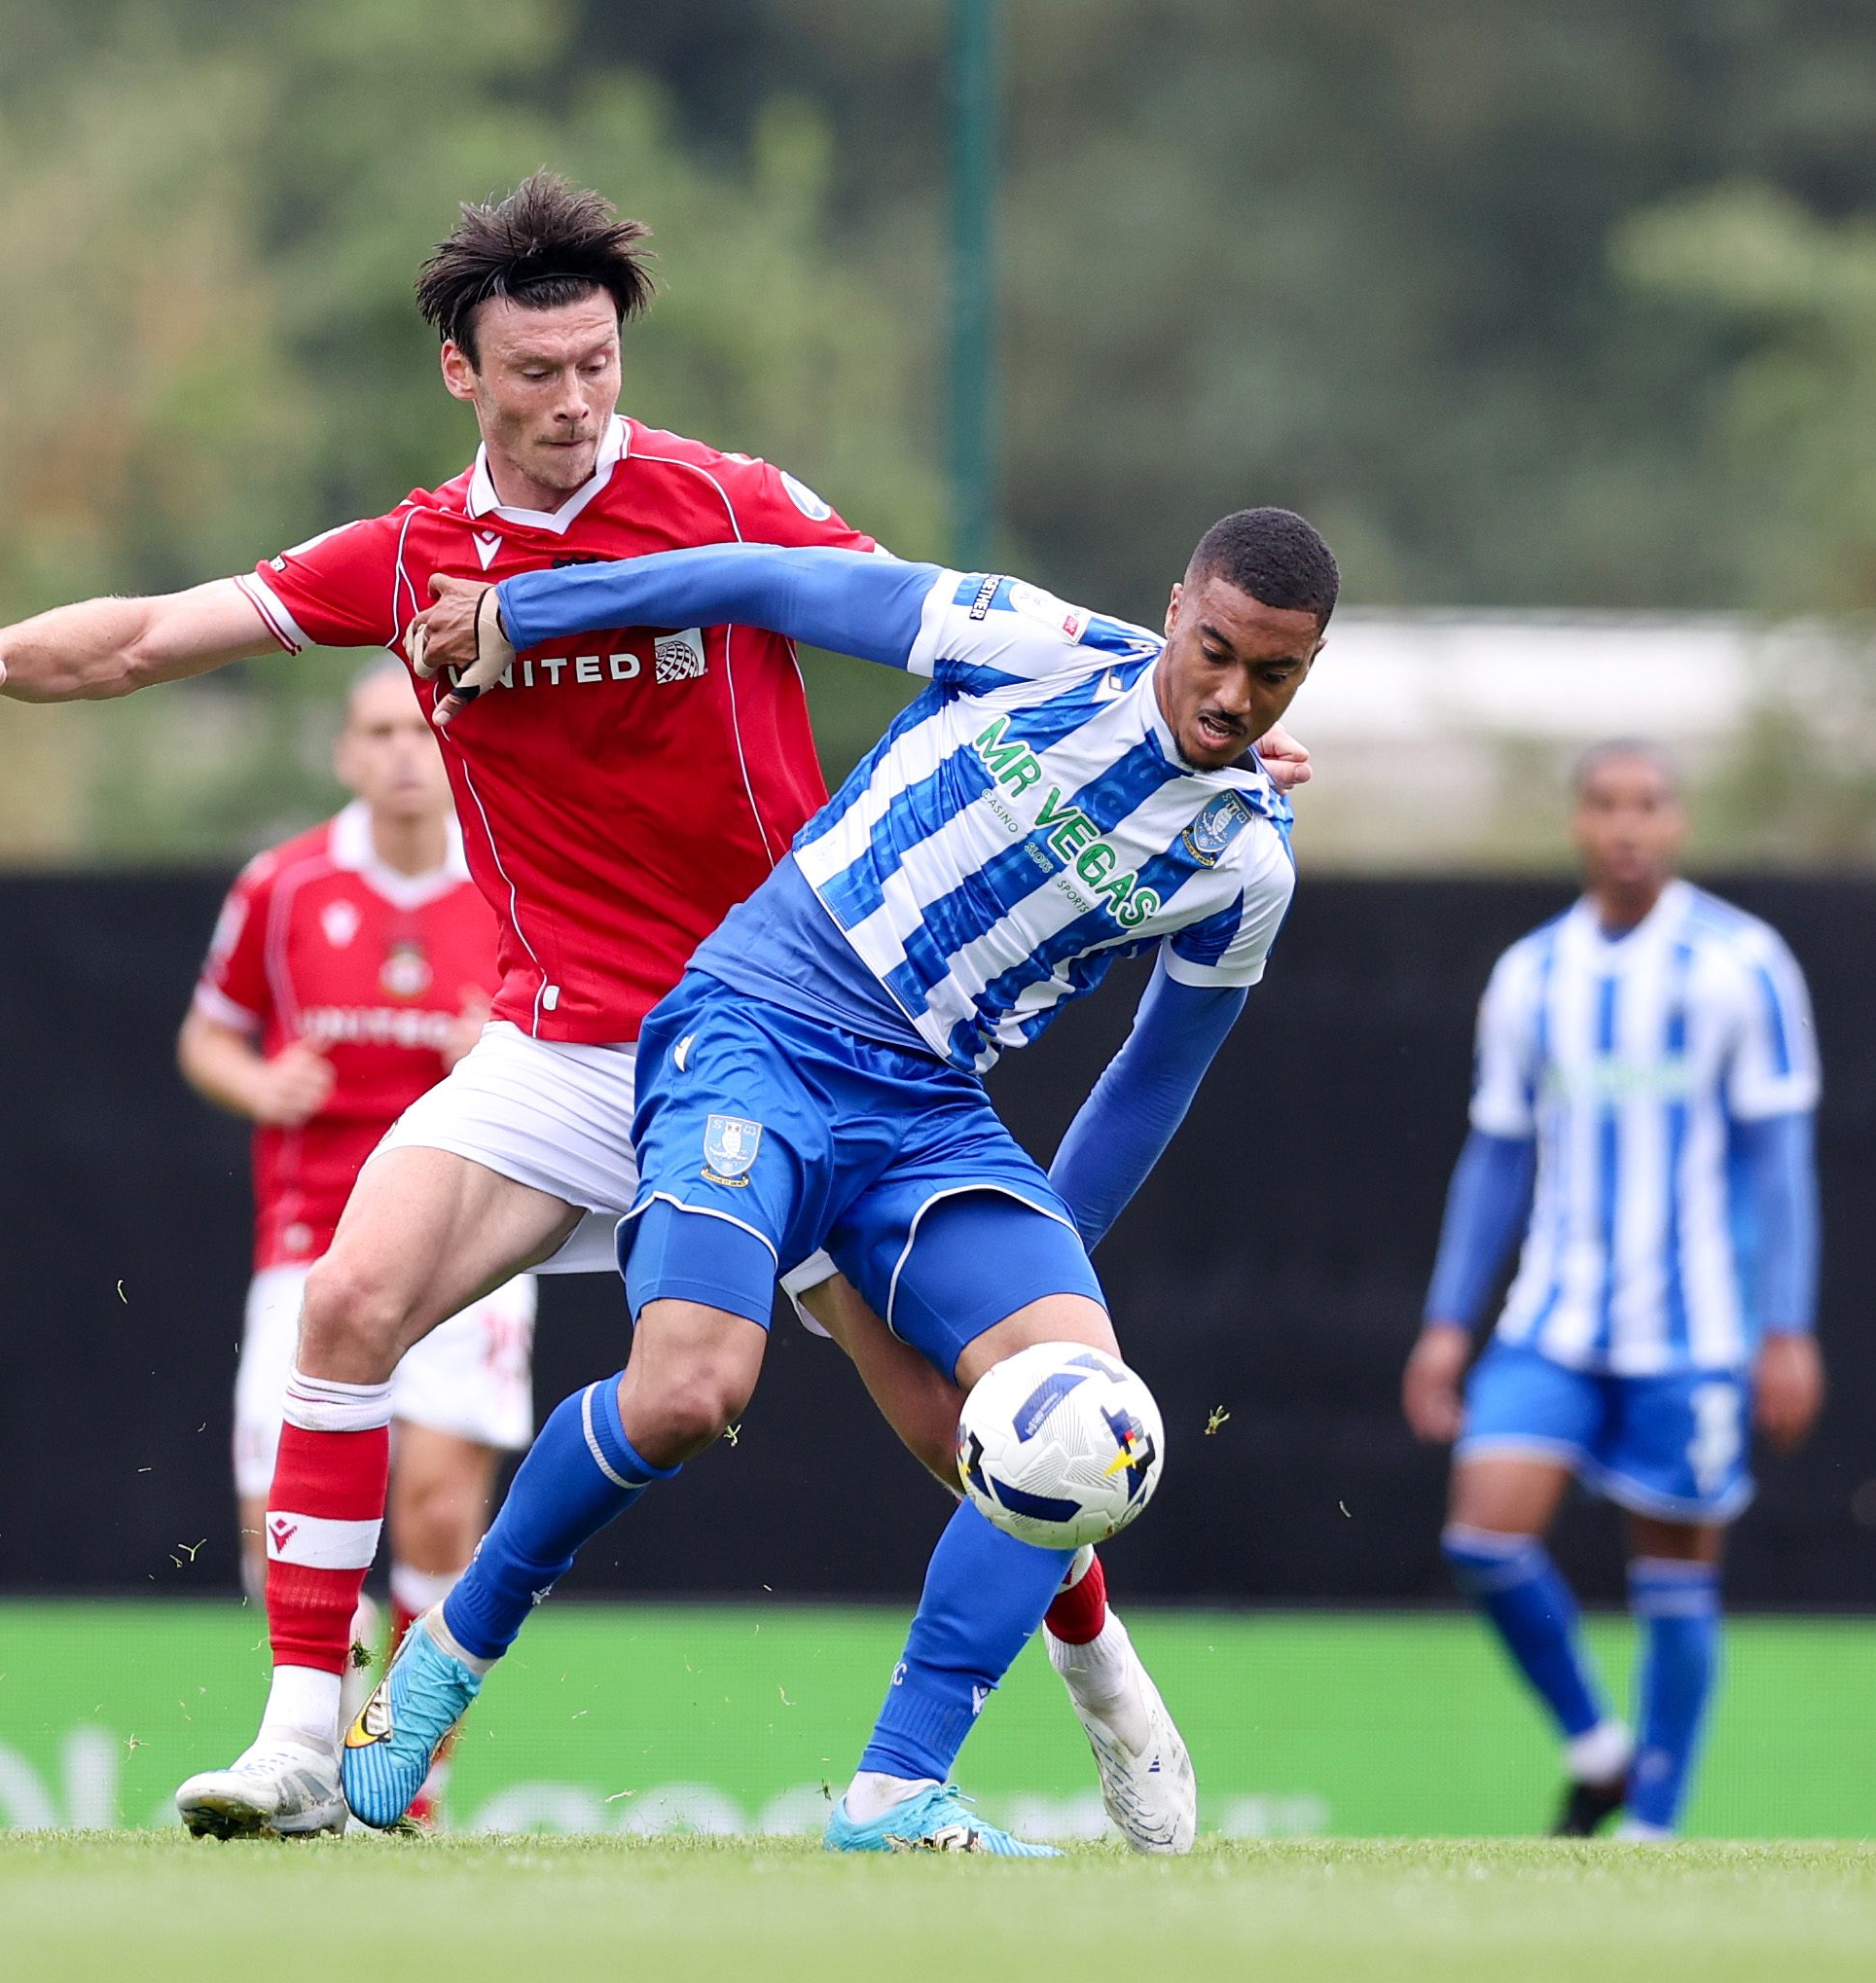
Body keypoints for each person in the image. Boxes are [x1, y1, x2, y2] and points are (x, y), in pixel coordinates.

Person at [0, 174, 1303, 1843]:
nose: (573, 402)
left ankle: (1098, 1667)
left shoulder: (724, 499)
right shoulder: (411, 555)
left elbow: (938, 612)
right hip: (571, 1041)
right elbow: (142, 640)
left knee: (981, 1430)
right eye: (536, 372)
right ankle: (300, 1738)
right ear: (461, 373)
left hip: (804, 1030)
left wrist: (1190, 697)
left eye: (598, 365)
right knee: (350, 1303)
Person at [340, 509, 1337, 1854]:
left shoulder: (1244, 857)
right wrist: (522, 613)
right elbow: (768, 580)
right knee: (689, 1393)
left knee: (1080, 1417)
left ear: (1308, 670)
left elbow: (1154, 1077)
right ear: (1174, 609)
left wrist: (1041, 1265)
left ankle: (895, 1787)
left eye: (1272, 675)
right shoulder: (1032, 643)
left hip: (925, 1113)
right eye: (1214, 650)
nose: (1232, 696)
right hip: (754, 1029)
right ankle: (448, 1653)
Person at [1400, 740, 1823, 1839]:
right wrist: (1447, 1321)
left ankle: (1653, 1830)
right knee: (1481, 1538)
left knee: (1675, 1580)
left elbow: (1780, 1159)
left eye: (1648, 804)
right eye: (1605, 804)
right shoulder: (1530, 975)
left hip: (1693, 1330)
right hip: (1553, 1319)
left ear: (1678, 823)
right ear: (1577, 823)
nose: (1627, 825)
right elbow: (1494, 1157)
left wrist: (1786, 1326)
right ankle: (1598, 1749)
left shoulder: (1741, 962)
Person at [181, 659, 531, 1823]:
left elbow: (580, 1029)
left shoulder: (512, 876)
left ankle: (409, 1789)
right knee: (269, 1529)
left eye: (419, 729)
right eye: (376, 731)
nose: (400, 752)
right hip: (310, 1238)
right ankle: (319, 1741)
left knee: (436, 1508)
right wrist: (259, 1082)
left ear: (454, 743)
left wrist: (502, 1045)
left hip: (472, 1232)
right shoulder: (281, 886)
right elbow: (207, 1036)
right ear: (344, 753)